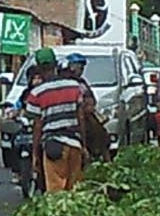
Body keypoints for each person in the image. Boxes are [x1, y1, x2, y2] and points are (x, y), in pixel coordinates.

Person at [22, 45, 110, 194]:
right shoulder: (74, 86)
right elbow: (80, 117)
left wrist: (35, 154)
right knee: (74, 190)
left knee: (56, 192)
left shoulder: (37, 92)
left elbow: (37, 125)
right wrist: (83, 145)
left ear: (38, 68)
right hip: (74, 144)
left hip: (53, 146)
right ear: (56, 64)